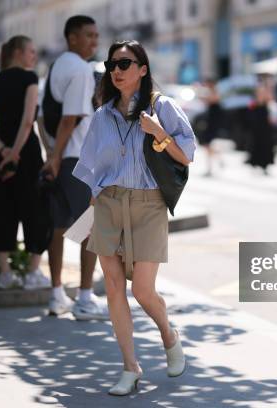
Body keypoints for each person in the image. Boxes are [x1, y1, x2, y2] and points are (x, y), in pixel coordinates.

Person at [73, 40, 196, 396]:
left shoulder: (164, 106)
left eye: (124, 63)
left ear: (142, 69)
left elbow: (186, 154)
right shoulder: (102, 114)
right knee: (113, 287)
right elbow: (90, 165)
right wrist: (96, 199)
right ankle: (130, 366)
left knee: (142, 289)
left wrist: (158, 132)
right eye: (112, 64)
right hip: (109, 203)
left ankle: (169, 335)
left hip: (148, 204)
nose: (116, 70)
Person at [37, 15, 108, 319]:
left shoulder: (55, 67)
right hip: (79, 159)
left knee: (59, 227)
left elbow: (41, 118)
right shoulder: (80, 70)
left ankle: (56, 296)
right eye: (89, 35)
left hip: (63, 158)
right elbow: (71, 118)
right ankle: (84, 298)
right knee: (92, 230)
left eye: (96, 35)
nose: (94, 41)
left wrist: (51, 153)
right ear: (72, 38)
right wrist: (56, 157)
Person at [0, 36, 51, 290]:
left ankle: (5, 273)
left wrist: (4, 151)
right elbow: (27, 119)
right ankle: (32, 273)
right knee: (35, 208)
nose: (34, 56)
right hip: (27, 153)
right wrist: (17, 152)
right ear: (18, 53)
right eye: (31, 51)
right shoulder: (30, 78)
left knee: (0, 208)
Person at [246, 74, 275, 175]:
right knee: (257, 141)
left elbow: (270, 100)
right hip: (259, 118)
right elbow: (257, 102)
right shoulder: (259, 89)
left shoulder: (266, 90)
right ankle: (256, 163)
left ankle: (264, 164)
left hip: (264, 119)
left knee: (265, 142)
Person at [198, 78, 223, 177]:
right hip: (210, 120)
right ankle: (218, 158)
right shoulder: (211, 92)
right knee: (207, 145)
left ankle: (211, 166)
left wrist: (204, 98)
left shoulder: (215, 92)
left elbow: (213, 100)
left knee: (207, 144)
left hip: (212, 121)